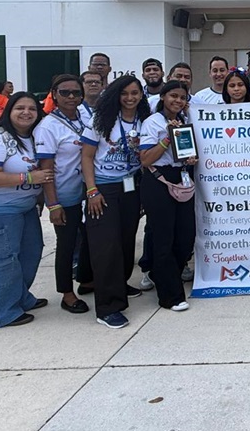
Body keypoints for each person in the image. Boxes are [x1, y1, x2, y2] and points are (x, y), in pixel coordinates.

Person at [0, 92, 54, 327]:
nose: (26, 113)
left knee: (31, 252)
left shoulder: (33, 137)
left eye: (32, 109)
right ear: (9, 111)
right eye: (20, 108)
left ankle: (20, 297)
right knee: (3, 261)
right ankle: (1, 313)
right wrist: (29, 178)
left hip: (24, 208)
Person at [80, 75, 151, 329]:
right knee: (106, 246)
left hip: (131, 186)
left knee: (125, 241)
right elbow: (86, 157)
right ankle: (108, 307)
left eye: (135, 93)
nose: (130, 98)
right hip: (104, 188)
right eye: (124, 93)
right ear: (115, 95)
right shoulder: (101, 120)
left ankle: (119, 285)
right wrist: (92, 191)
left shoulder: (144, 119)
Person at [139, 80, 198, 313]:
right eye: (173, 96)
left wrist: (190, 158)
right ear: (163, 97)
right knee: (164, 237)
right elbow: (145, 159)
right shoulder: (152, 122)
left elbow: (187, 150)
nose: (178, 101)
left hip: (182, 177)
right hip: (158, 180)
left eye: (182, 97)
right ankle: (170, 296)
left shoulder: (186, 120)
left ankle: (160, 273)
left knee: (186, 236)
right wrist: (167, 138)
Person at [35, 75, 90, 314]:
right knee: (67, 244)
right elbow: (46, 168)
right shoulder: (48, 126)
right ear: (54, 95)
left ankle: (87, 279)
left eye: (76, 92)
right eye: (65, 92)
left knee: (89, 239)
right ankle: (67, 294)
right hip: (64, 194)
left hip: (87, 189)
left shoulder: (84, 117)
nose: (71, 97)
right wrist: (53, 204)